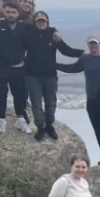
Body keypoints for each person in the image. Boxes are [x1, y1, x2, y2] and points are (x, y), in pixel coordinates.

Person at [57, 36, 100, 164]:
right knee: (99, 129)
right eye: (91, 44)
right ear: (88, 46)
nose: (93, 46)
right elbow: (72, 68)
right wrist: (55, 65)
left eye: (95, 44)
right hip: (92, 101)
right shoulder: (86, 59)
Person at [25, 11, 83, 143]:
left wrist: (82, 53)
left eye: (43, 21)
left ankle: (50, 126)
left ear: (47, 22)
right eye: (38, 21)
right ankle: (41, 127)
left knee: (51, 102)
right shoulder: (28, 34)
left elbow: (66, 50)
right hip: (32, 75)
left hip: (50, 75)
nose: (41, 23)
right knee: (36, 103)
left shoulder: (53, 34)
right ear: (35, 22)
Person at [0, 0, 33, 135]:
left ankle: (21, 119)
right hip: (0, 67)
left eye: (13, 12)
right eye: (8, 12)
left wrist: (55, 32)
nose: (11, 15)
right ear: (3, 12)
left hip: (18, 67)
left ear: (18, 14)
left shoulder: (24, 27)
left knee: (20, 94)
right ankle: (1, 120)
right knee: (0, 94)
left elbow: (42, 28)